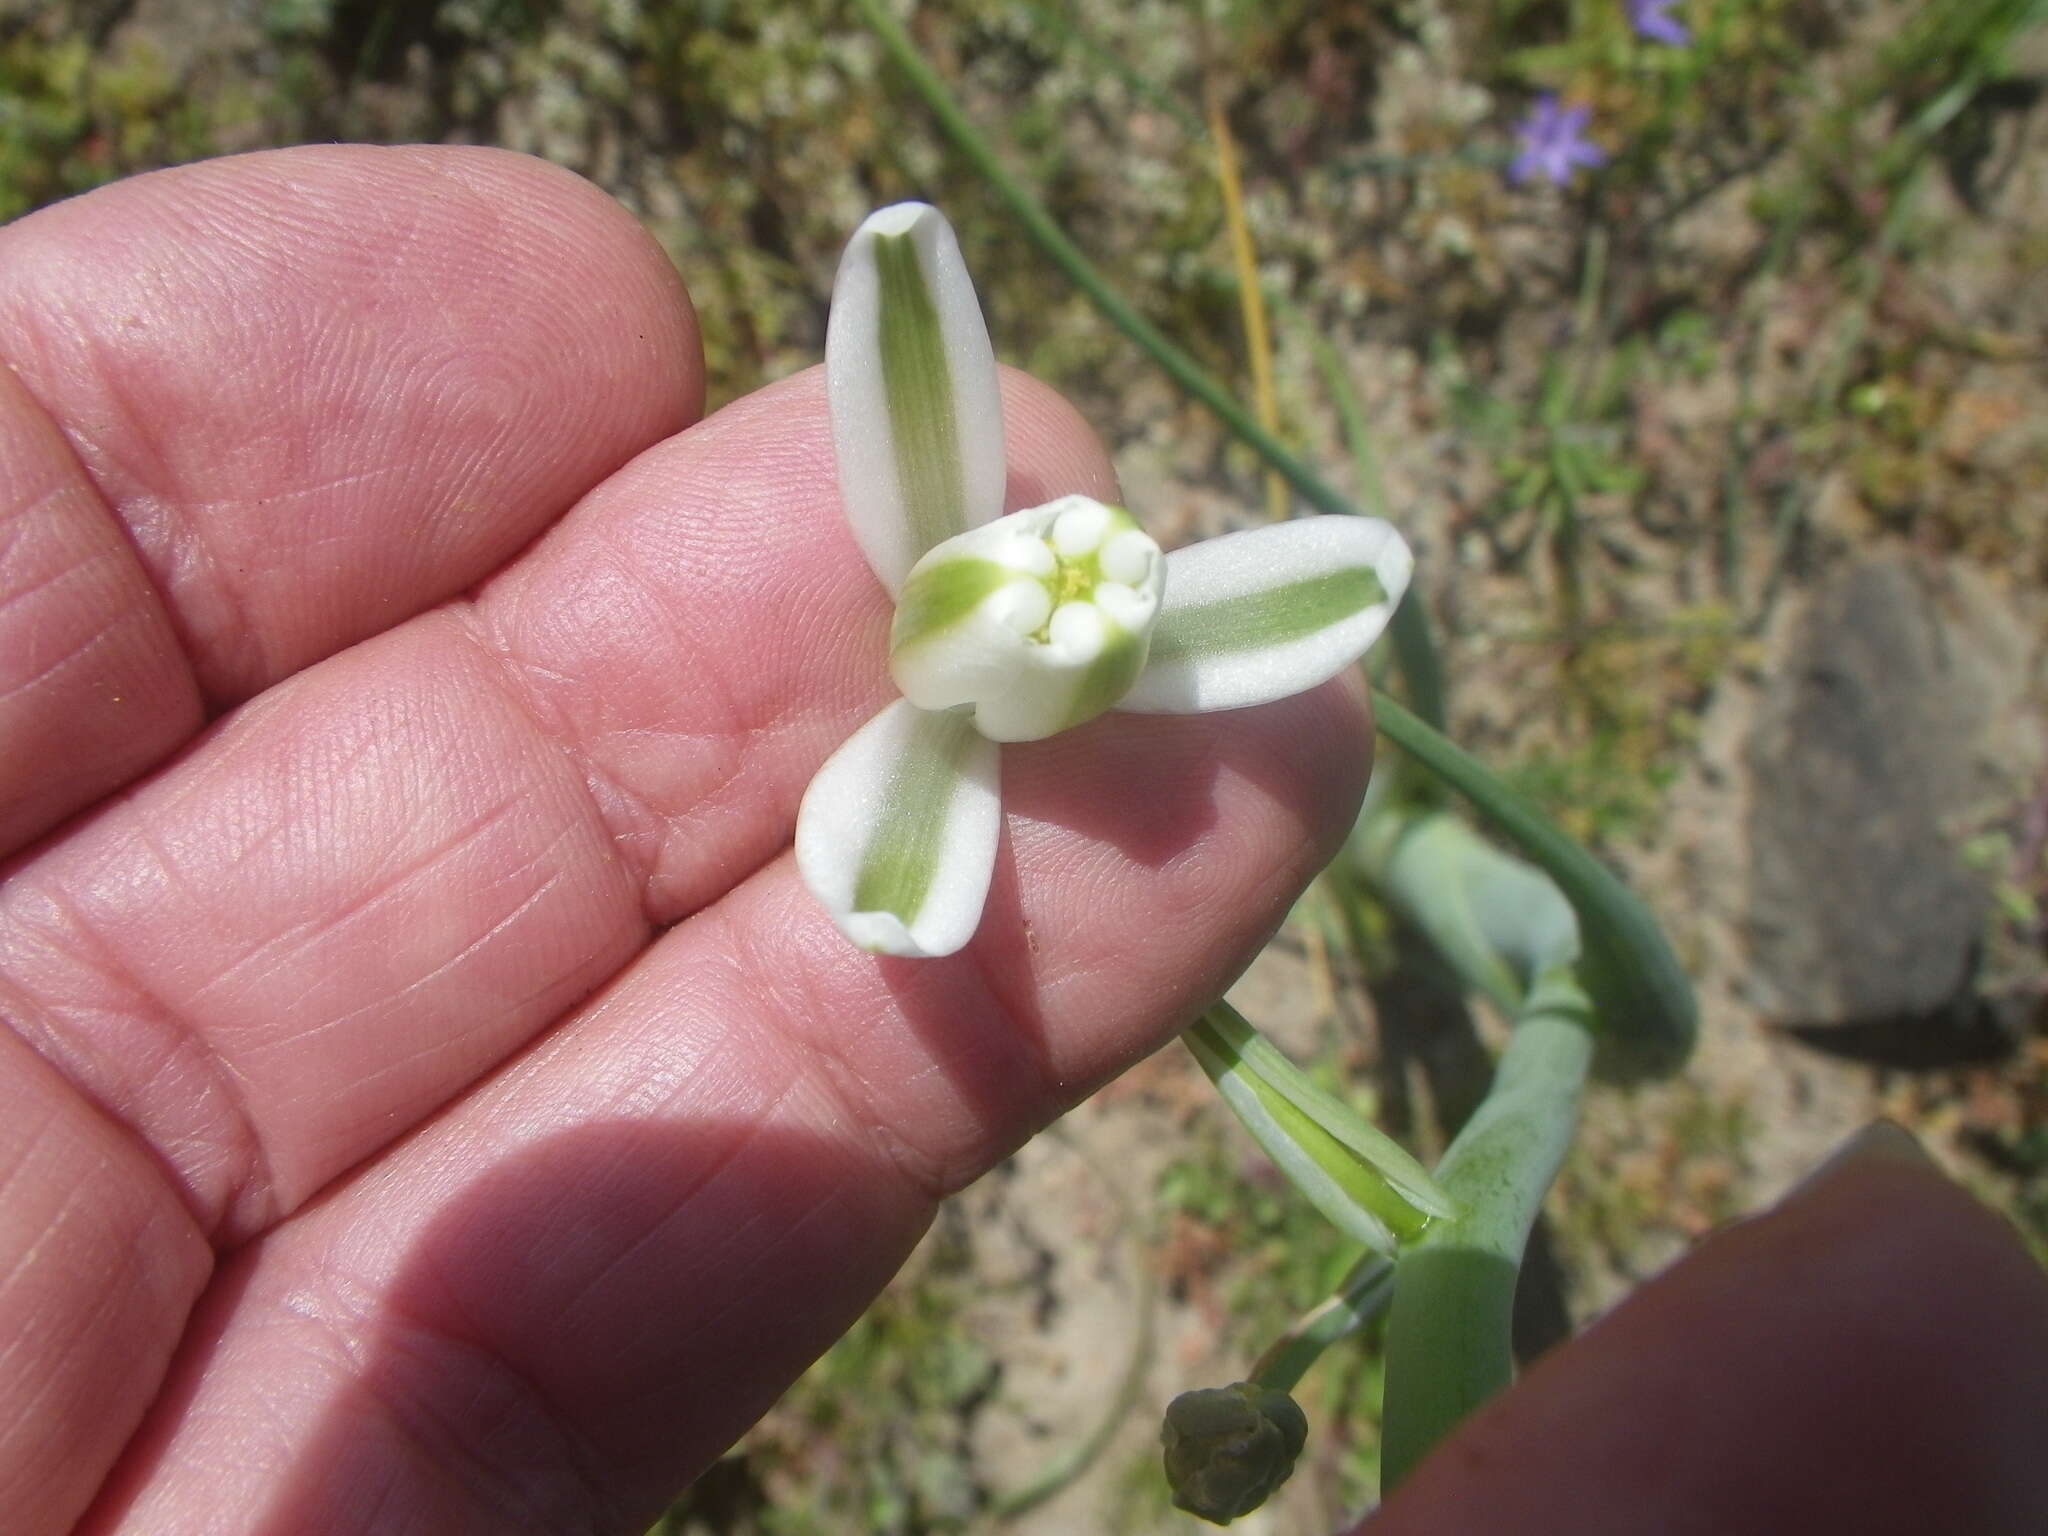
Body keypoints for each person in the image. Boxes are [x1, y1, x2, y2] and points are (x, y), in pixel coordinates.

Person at [0, 146, 2039, 1536]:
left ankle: (1462, 892)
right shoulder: (906, 820)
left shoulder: (1075, 682)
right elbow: (891, 873)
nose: (1076, 574)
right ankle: (1465, 897)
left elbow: (1246, 600)